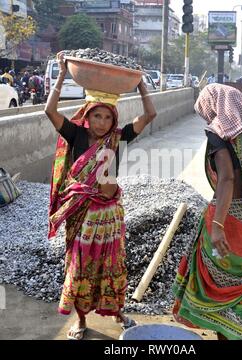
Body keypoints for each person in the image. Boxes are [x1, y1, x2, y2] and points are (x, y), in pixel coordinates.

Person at [45, 52, 157, 340]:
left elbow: (149, 115)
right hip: (82, 213)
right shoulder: (77, 135)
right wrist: (60, 75)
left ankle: (117, 312)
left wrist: (141, 83)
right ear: (88, 114)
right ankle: (80, 320)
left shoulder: (118, 138)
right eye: (97, 115)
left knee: (112, 264)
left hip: (109, 213)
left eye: (108, 117)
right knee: (81, 265)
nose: (102, 122)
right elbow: (50, 111)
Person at [172, 83, 242, 340]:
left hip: (226, 223)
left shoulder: (217, 133)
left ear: (214, 106)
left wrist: (219, 224)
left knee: (219, 289)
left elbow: (227, 179)